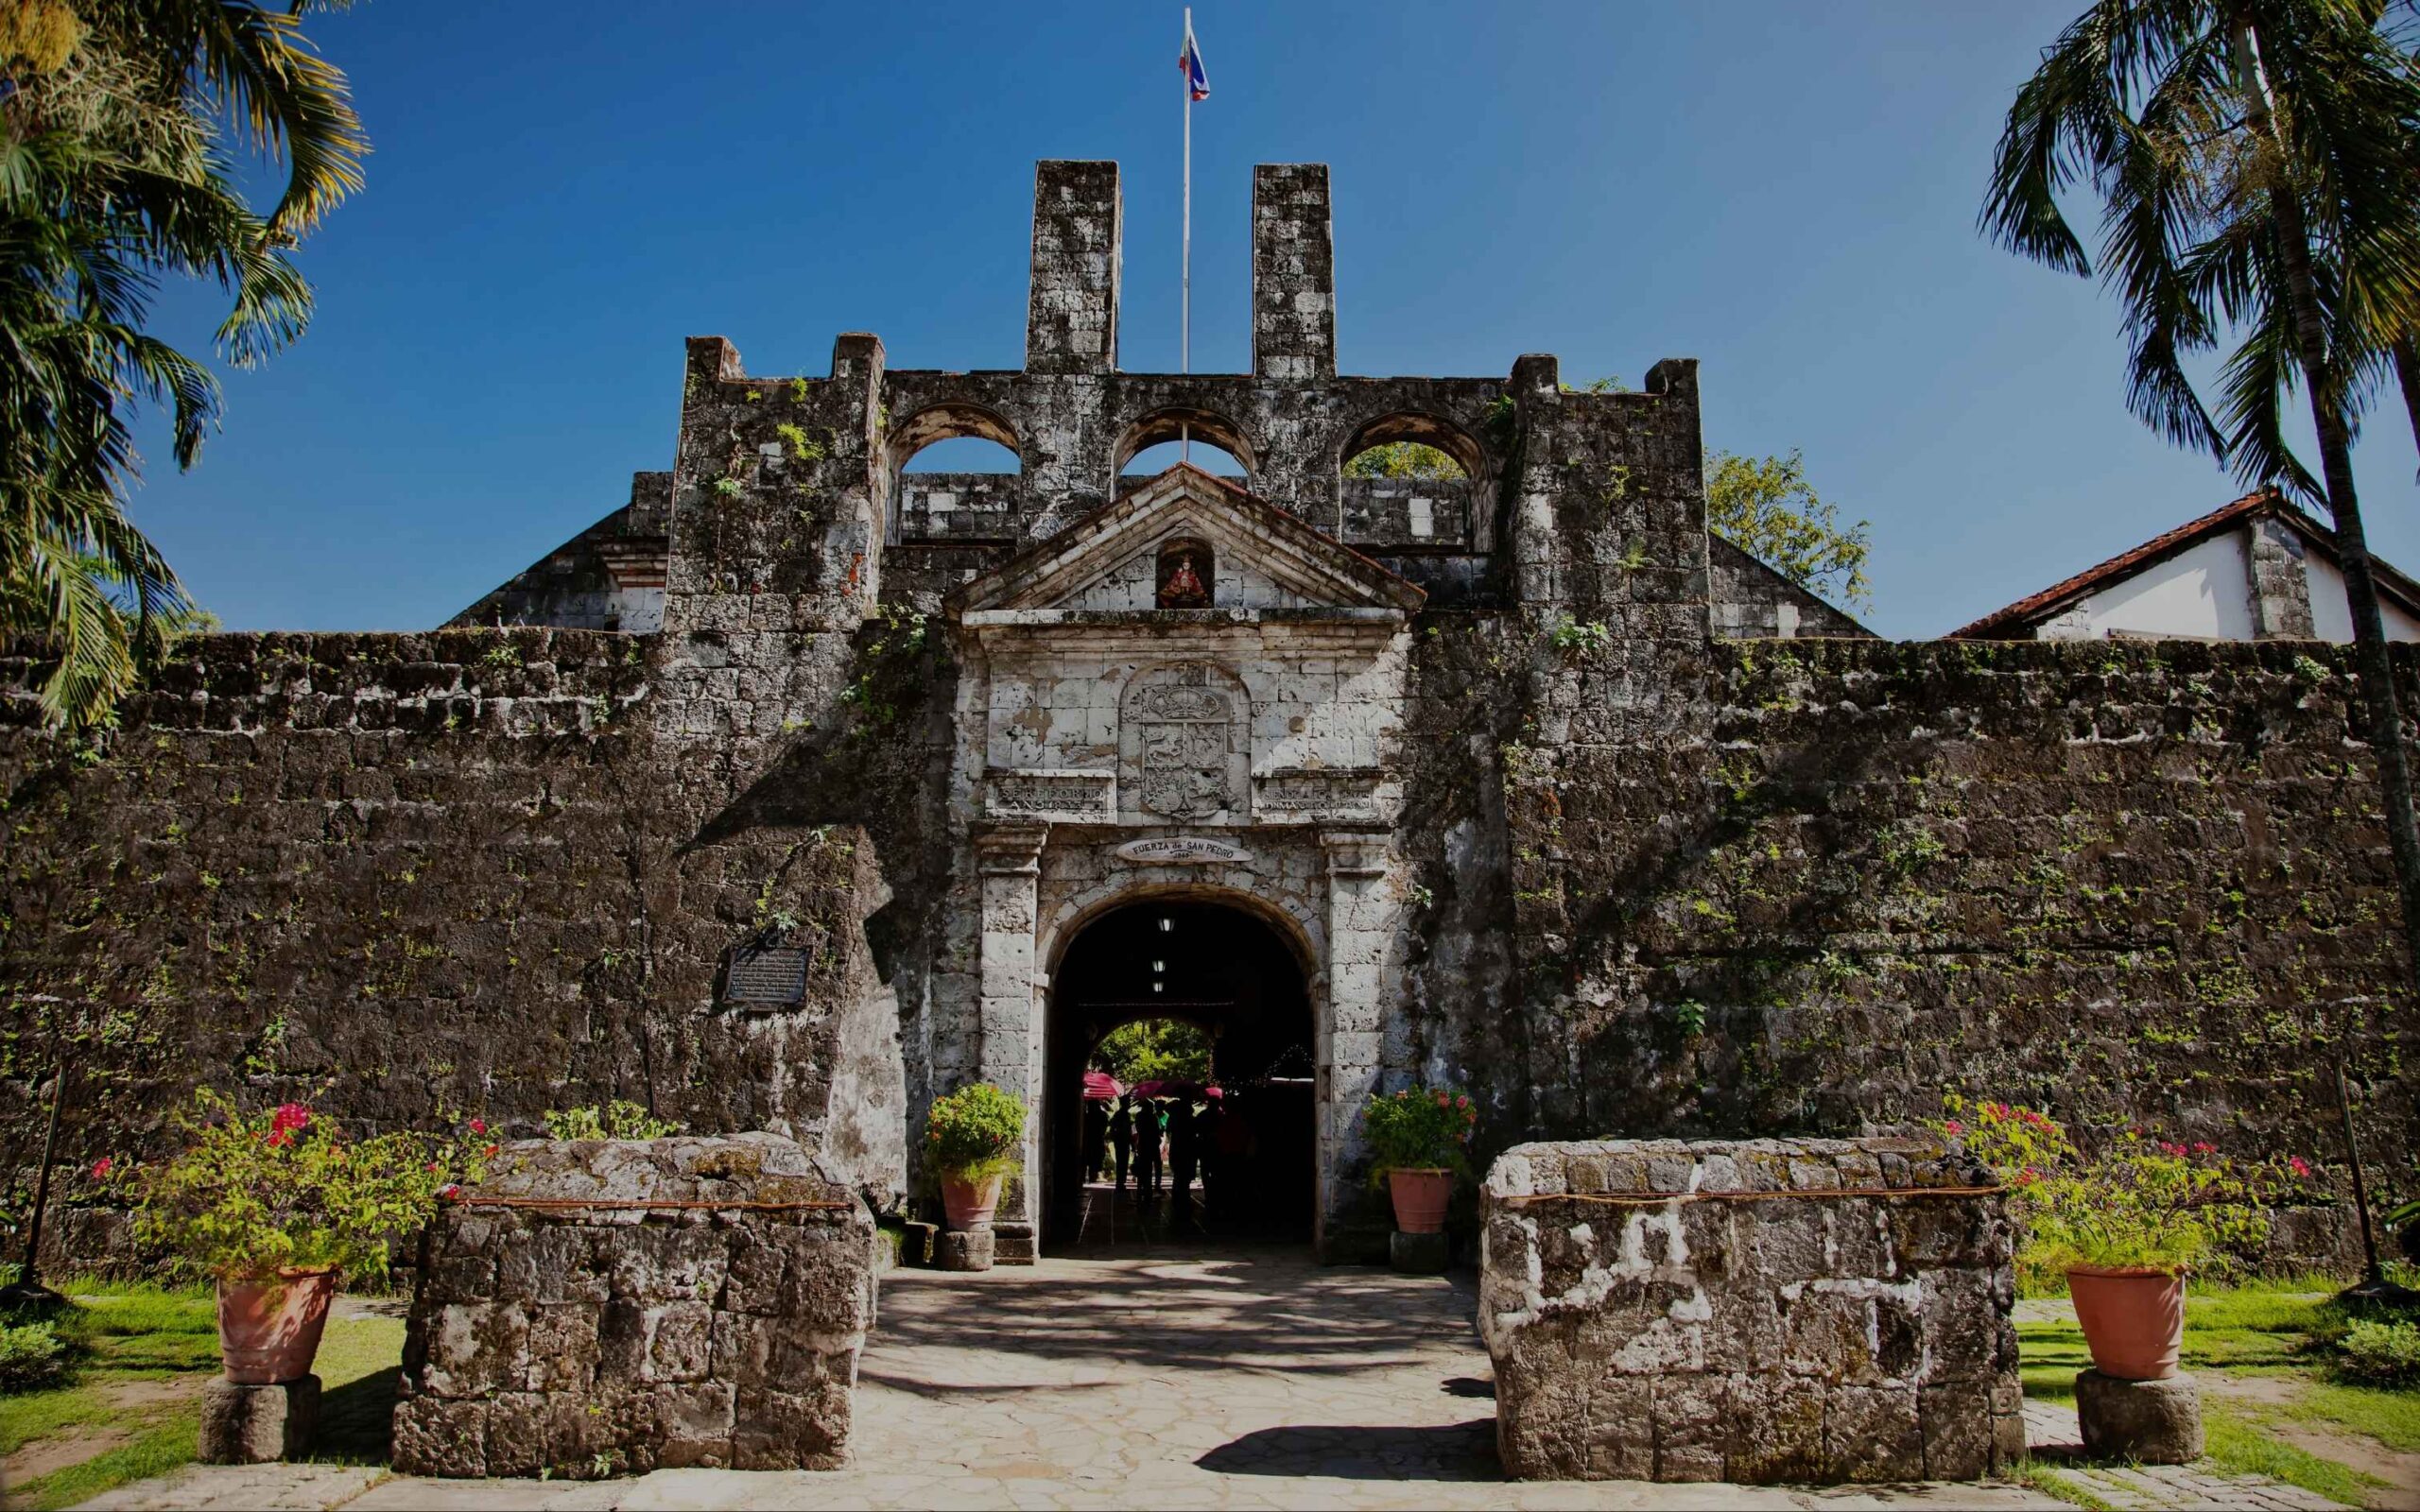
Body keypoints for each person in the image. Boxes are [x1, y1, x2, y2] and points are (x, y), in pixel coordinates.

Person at [1167, 1096, 1201, 1229]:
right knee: (1184, 1178)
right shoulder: (1190, 1121)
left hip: (1178, 1150)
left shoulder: (1174, 1120)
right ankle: (1183, 1200)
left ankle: (1179, 1199)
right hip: (1187, 1150)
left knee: (1179, 1176)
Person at [1135, 1097, 1166, 1194]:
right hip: (1152, 1144)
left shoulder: (1139, 1116)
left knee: (1145, 1166)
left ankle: (1144, 1186)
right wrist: (1160, 1132)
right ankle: (1155, 1185)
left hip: (1143, 1144)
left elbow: (1137, 1130)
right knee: (1156, 1165)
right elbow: (1156, 1131)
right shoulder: (1152, 1117)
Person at [1109, 1093, 1133, 1192]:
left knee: (1122, 1162)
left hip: (1122, 1141)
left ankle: (1121, 1183)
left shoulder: (1123, 1114)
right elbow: (1114, 1127)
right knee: (1122, 1162)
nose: (1129, 1104)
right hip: (1122, 1141)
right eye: (1128, 1102)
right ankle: (1120, 1183)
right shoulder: (1121, 1115)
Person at [1081, 1095, 1109, 1184]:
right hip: (1096, 1140)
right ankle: (1092, 1176)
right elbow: (1104, 1127)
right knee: (1094, 1159)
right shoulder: (1102, 1115)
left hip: (1089, 1140)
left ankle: (1086, 1177)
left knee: (1088, 1159)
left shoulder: (1087, 1116)